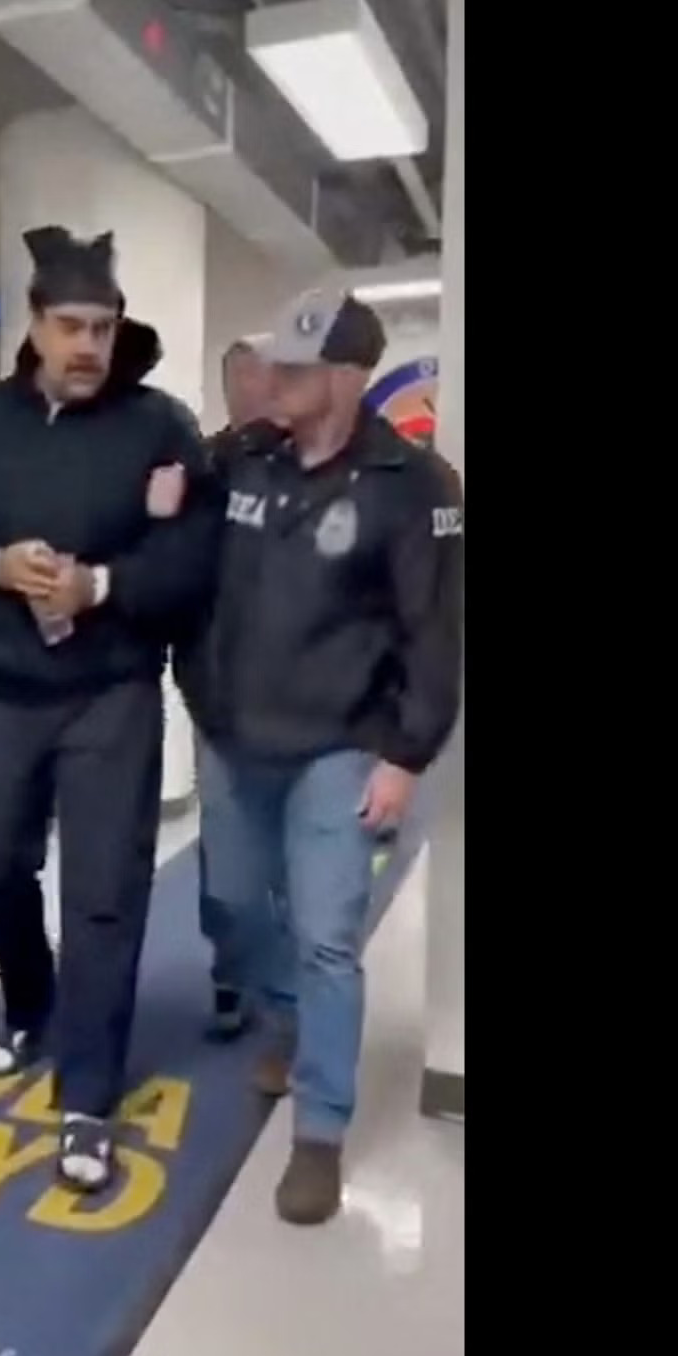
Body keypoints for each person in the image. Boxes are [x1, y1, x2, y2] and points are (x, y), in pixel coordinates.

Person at [0, 226, 217, 1194]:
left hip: (113, 695)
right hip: (1, 691)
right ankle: (31, 998)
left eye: (102, 327)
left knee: (102, 894)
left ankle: (87, 1096)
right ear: (33, 324)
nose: (88, 346)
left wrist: (103, 585)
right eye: (70, 326)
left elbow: (196, 557)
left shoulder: (160, 429)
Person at [173, 288, 464, 1225]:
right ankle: (288, 1013)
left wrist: (405, 757)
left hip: (339, 747)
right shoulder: (241, 458)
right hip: (232, 736)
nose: (273, 380)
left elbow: (434, 635)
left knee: (326, 934)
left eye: (294, 368)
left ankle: (320, 1130)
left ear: (345, 378)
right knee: (230, 903)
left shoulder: (412, 486)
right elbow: (179, 557)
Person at [190, 335, 282, 1042]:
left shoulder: (314, 466)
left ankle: (287, 1011)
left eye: (268, 376)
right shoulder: (202, 468)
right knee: (228, 871)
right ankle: (230, 968)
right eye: (244, 377)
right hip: (219, 701)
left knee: (300, 867)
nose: (258, 388)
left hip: (309, 705)